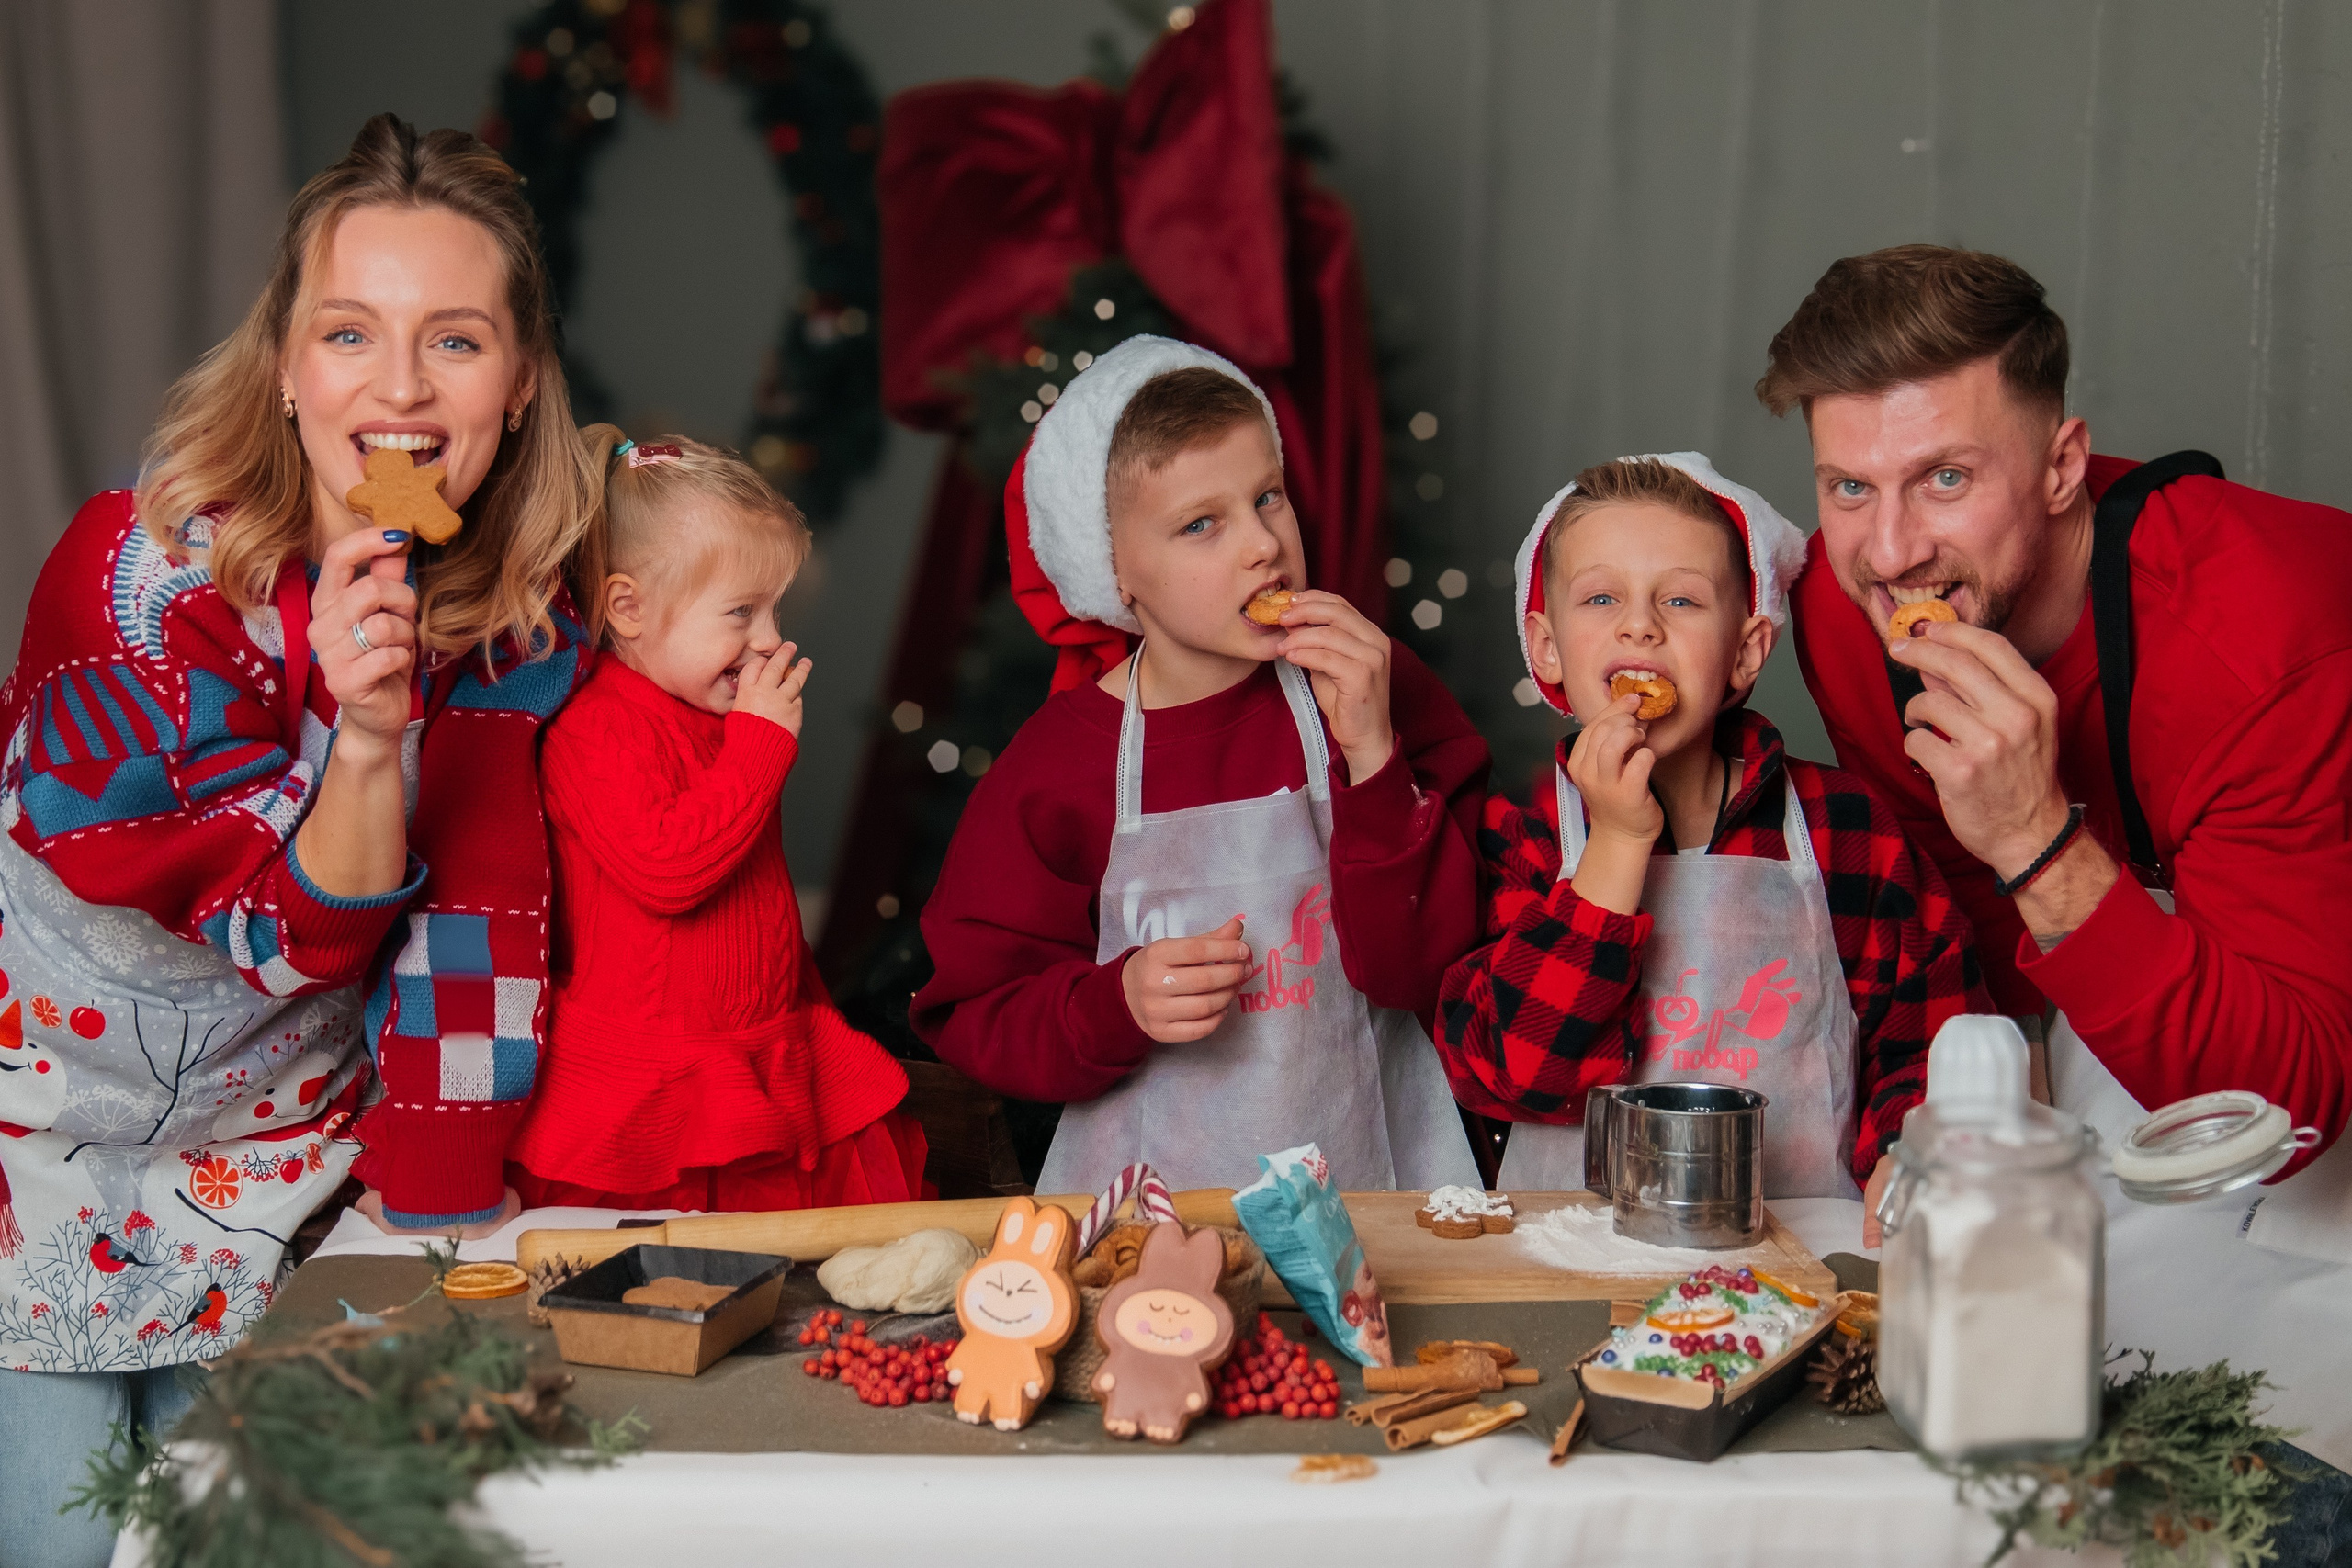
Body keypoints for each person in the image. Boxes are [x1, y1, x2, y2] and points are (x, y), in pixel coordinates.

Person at [0, 115, 599, 1565]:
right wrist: (363, 729)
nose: (399, 387)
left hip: (281, 1190)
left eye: (455, 342)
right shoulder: (134, 580)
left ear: (519, 390)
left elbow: (480, 939)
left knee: (268, 1538)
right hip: (36, 1157)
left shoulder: (513, 643)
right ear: (283, 363)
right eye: (349, 332)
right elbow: (270, 936)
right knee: (63, 1539)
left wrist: (443, 1196)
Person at [1765, 243, 2352, 1533]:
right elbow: (1973, 924)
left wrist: (2037, 840)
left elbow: (2290, 1101)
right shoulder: (1846, 616)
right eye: (1850, 486)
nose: (1893, 549)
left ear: (2066, 464)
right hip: (2155, 956)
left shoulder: (2266, 635)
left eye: (1947, 478)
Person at [911, 336, 1488, 1195]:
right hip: (1152, 1227)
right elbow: (973, 1007)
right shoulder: (1061, 762)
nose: (1262, 545)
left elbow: (1442, 966)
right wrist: (1116, 1005)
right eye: (1200, 524)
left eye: (1269, 498)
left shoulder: (1375, 686)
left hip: (1386, 1191)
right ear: (1116, 575)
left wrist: (1373, 756)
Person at [1435, 456, 1985, 1229]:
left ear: (1747, 650)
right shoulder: (1518, 837)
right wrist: (1619, 843)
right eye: (1600, 597)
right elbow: (1518, 1071)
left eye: (1682, 600)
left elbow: (1930, 1037)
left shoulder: (1843, 829)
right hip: (1569, 1261)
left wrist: (1909, 1142)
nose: (1640, 624)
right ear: (1548, 646)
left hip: (1804, 1256)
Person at [504, 431, 926, 1211]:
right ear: (627, 606)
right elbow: (670, 871)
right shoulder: (593, 726)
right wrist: (761, 748)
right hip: (659, 1077)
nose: (769, 639)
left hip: (763, 1046)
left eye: (774, 609)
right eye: (741, 612)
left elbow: (756, 898)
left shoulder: (715, 716)